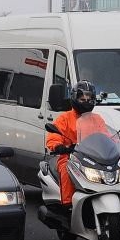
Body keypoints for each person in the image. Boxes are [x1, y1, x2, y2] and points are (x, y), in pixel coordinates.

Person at [45, 81, 97, 210]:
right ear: (75, 98)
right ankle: (67, 205)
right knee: (65, 169)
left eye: (89, 98)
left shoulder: (97, 119)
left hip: (93, 158)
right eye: (82, 98)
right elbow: (54, 136)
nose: (85, 101)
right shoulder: (64, 118)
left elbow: (105, 135)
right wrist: (58, 146)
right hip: (70, 156)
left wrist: (116, 144)